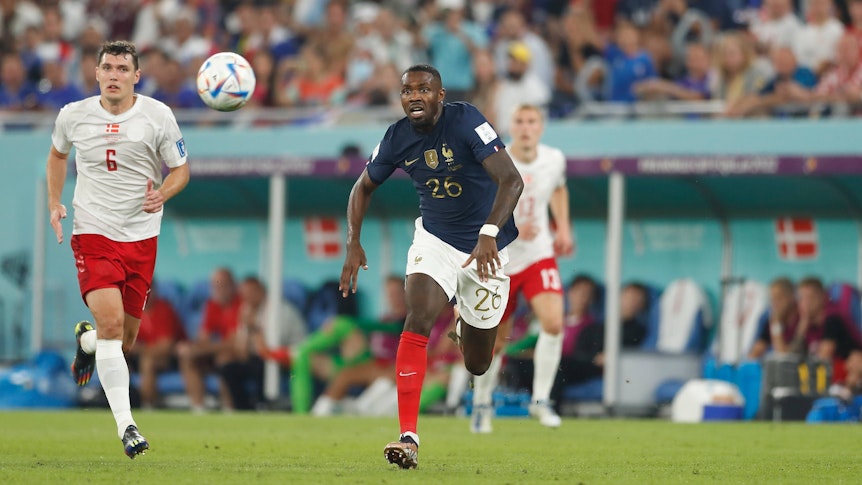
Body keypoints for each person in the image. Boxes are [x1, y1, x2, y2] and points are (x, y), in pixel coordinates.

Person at [339, 64, 523, 469]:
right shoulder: (396, 138)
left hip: (485, 249)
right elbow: (362, 187)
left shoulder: (467, 120)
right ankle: (409, 437)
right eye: (407, 91)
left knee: (478, 363)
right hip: (435, 240)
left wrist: (489, 232)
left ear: (440, 95)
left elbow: (512, 180)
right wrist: (353, 242)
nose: (414, 96)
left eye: (424, 89)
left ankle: (464, 326)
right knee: (417, 316)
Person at [47, 40, 190, 458]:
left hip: (141, 236)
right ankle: (127, 427)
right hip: (93, 231)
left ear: (136, 76)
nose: (114, 75)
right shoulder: (72, 115)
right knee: (112, 325)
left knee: (121, 342)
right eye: (107, 67)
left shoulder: (157, 116)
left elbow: (181, 170)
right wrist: (55, 201)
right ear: (96, 73)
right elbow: (57, 156)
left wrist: (162, 193)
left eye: (122, 69)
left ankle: (87, 342)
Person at [470, 104, 572, 433]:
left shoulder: (554, 158)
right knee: (495, 341)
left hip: (538, 254)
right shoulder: (495, 160)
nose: (526, 127)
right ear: (510, 126)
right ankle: (482, 405)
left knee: (554, 323)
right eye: (520, 121)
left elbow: (558, 187)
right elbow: (481, 205)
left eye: (532, 122)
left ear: (541, 127)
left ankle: (540, 401)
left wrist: (564, 227)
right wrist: (509, 226)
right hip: (500, 258)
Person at [177, 267, 242, 413]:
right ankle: (198, 407)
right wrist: (192, 348)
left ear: (233, 285)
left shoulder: (240, 304)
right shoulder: (212, 305)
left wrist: (204, 348)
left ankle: (229, 408)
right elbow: (204, 337)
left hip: (235, 354)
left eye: (223, 284)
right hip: (215, 351)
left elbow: (233, 343)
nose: (218, 289)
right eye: (215, 285)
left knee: (225, 358)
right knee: (188, 357)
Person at [129, 281, 187, 409]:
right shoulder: (133, 311)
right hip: (143, 354)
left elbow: (166, 347)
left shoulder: (163, 309)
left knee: (148, 362)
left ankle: (148, 406)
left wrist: (139, 349)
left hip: (171, 358)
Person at [748, 277, 798, 360]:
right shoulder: (767, 319)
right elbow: (755, 353)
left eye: (779, 298)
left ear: (791, 297)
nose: (775, 303)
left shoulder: (800, 321)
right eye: (772, 299)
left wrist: (776, 323)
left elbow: (782, 356)